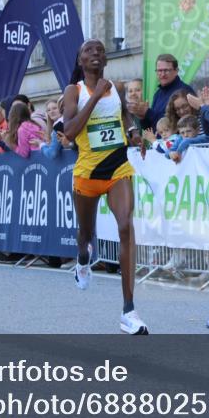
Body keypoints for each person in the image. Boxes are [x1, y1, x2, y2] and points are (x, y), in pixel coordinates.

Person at [62, 39, 147, 335]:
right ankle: (83, 260)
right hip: (87, 173)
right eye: (88, 50)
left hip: (118, 168)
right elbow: (70, 132)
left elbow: (123, 114)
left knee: (125, 226)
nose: (95, 53)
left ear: (106, 59)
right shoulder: (74, 91)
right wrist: (95, 96)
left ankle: (128, 310)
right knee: (85, 234)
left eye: (99, 50)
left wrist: (133, 131)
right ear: (80, 60)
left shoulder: (117, 87)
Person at [132, 53, 195, 129]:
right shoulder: (157, 94)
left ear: (176, 71)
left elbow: (180, 123)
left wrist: (148, 112)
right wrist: (142, 116)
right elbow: (151, 128)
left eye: (166, 70)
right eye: (159, 71)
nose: (162, 74)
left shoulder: (184, 91)